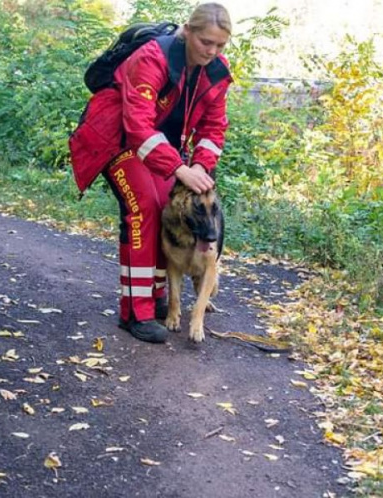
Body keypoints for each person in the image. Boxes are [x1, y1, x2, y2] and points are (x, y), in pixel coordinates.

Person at [72, 3, 233, 343]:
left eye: (220, 45)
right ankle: (136, 312)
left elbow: (214, 126)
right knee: (144, 205)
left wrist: (201, 166)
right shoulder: (152, 58)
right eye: (206, 42)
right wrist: (179, 169)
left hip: (162, 145)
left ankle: (158, 296)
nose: (212, 51)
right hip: (116, 138)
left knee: (168, 206)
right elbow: (138, 126)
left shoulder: (217, 70)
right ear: (187, 31)